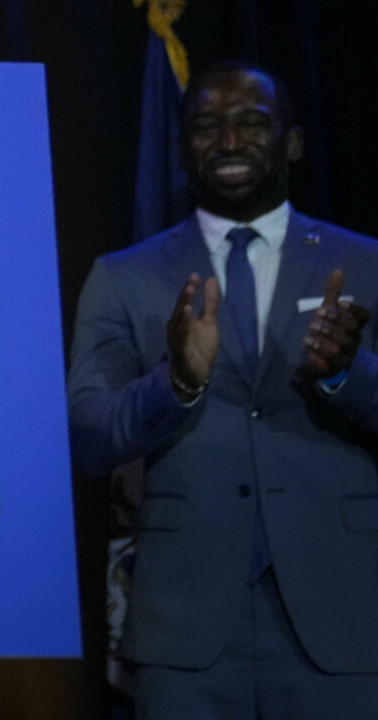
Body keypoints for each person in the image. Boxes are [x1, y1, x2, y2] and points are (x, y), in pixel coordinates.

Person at [67, 60, 378, 717]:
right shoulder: (125, 276)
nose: (228, 143)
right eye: (206, 128)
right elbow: (88, 437)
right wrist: (176, 382)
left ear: (292, 142)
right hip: (187, 629)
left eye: (250, 125)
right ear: (182, 151)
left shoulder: (366, 264)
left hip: (344, 618)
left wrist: (349, 374)